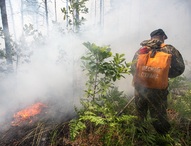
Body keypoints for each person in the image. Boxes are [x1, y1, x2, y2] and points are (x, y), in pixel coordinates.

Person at [131, 29, 185, 135]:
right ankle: (164, 138)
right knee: (159, 117)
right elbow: (180, 68)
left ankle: (139, 138)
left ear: (151, 38)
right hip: (158, 90)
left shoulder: (142, 50)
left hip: (140, 89)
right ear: (163, 37)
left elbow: (133, 68)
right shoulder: (169, 49)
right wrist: (163, 74)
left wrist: (144, 76)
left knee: (140, 115)